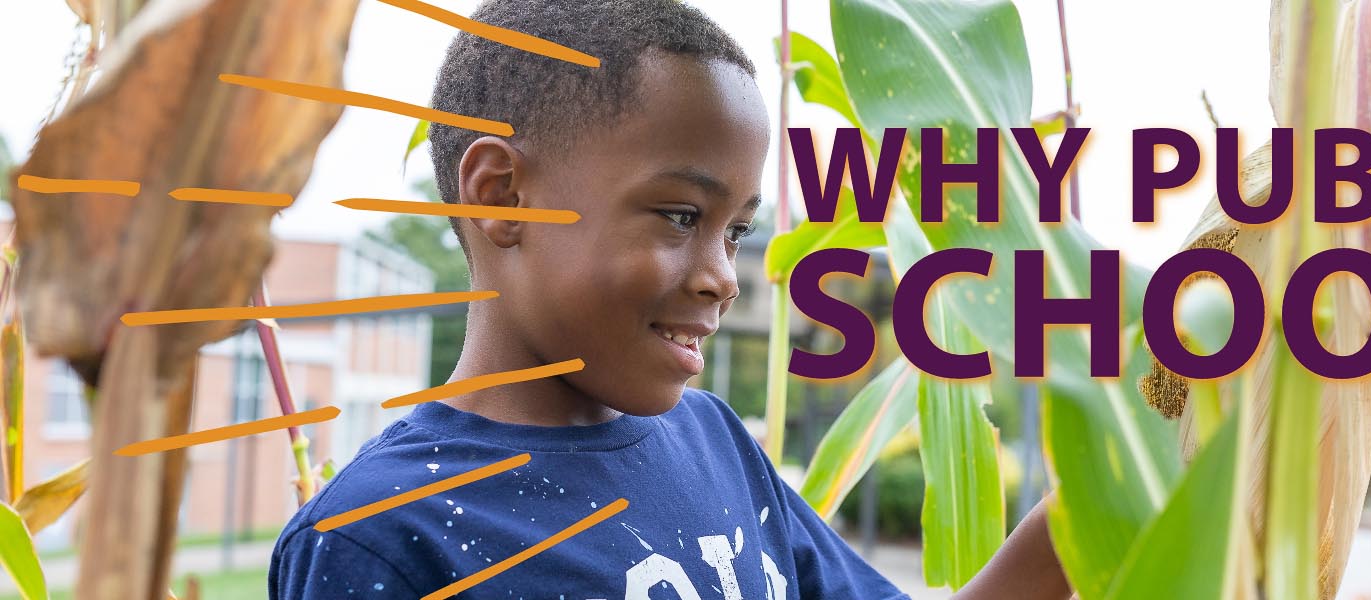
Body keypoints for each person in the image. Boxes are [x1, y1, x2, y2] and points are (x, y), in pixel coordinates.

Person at [269, 1, 1071, 597]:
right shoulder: (378, 536)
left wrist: (1105, 490)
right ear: (503, 197)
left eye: (735, 232)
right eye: (682, 215)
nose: (721, 275)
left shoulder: (715, 441)